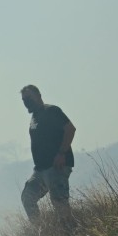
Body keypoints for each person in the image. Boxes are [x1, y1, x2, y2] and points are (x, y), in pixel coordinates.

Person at [21, 84, 76, 226]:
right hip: (40, 170)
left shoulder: (51, 111)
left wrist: (61, 153)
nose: (26, 102)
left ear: (38, 96)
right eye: (24, 100)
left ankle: (71, 235)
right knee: (28, 197)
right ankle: (41, 233)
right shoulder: (34, 117)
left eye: (29, 98)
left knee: (59, 203)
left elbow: (70, 129)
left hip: (56, 167)